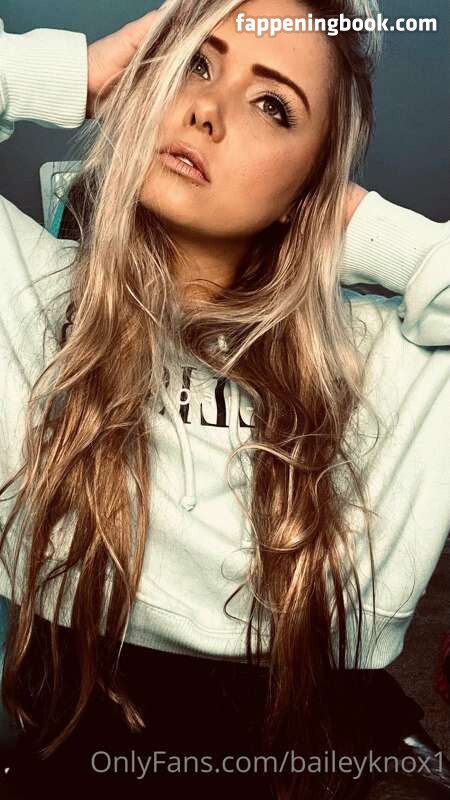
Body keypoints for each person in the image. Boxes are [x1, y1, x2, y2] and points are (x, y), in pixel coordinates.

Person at [0, 1, 449, 798]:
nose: (207, 108)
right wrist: (71, 75)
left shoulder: (384, 360)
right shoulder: (29, 293)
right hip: (71, 752)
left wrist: (350, 218)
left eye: (273, 104)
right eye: (196, 64)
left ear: (313, 180)